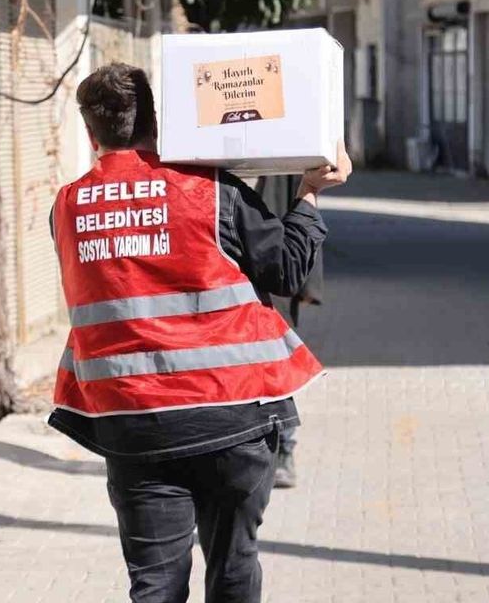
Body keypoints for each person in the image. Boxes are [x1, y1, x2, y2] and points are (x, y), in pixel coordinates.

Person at [47, 62, 351, 603]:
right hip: (232, 415)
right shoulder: (210, 190)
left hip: (133, 423)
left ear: (91, 135)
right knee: (233, 567)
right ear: (157, 124)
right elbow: (286, 270)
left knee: (155, 584)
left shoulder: (67, 207)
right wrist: (308, 194)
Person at [254, 174, 326, 489]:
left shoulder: (281, 163)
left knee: (278, 369)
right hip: (231, 283)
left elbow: (304, 213)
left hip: (275, 281)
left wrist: (309, 284)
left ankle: (284, 450)